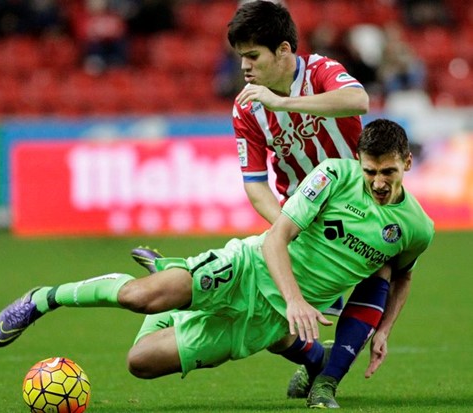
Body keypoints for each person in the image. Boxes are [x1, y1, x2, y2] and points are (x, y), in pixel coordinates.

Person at [0, 119, 434, 410]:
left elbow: (400, 276)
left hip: (265, 322)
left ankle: (175, 287)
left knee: (139, 362)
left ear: (407, 164)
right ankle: (43, 299)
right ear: (358, 160)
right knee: (139, 298)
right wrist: (297, 299)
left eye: (388, 173)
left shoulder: (416, 227)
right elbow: (277, 237)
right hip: (247, 268)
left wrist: (385, 331)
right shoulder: (333, 177)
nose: (377, 182)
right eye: (370, 170)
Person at [132, 1, 386, 408]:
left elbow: (358, 101)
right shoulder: (246, 107)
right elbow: (254, 185)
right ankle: (318, 363)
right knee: (274, 310)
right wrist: (288, 224)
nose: (245, 67)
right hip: (299, 218)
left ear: (284, 51)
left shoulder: (319, 70)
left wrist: (283, 103)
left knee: (383, 262)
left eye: (253, 56)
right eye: (241, 57)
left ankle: (326, 377)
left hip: (362, 206)